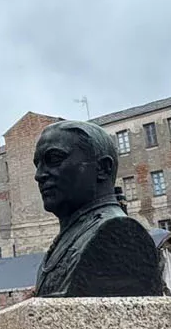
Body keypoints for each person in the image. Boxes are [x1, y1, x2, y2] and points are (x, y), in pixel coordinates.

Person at [33, 120, 162, 297]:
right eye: (38, 165)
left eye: (54, 160)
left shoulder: (119, 234)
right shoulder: (72, 236)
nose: (39, 175)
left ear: (102, 168)